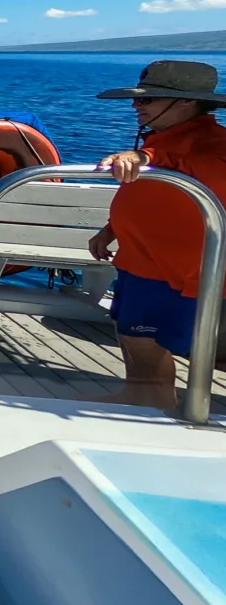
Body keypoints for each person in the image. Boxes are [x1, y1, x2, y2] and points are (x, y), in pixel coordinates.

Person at [87, 60, 226, 409]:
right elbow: (152, 189)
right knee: (132, 336)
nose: (137, 105)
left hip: (177, 270)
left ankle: (151, 402)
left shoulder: (213, 143)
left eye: (147, 100)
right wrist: (111, 229)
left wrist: (145, 155)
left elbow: (202, 168)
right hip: (140, 262)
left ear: (184, 102)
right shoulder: (162, 140)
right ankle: (143, 396)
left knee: (148, 342)